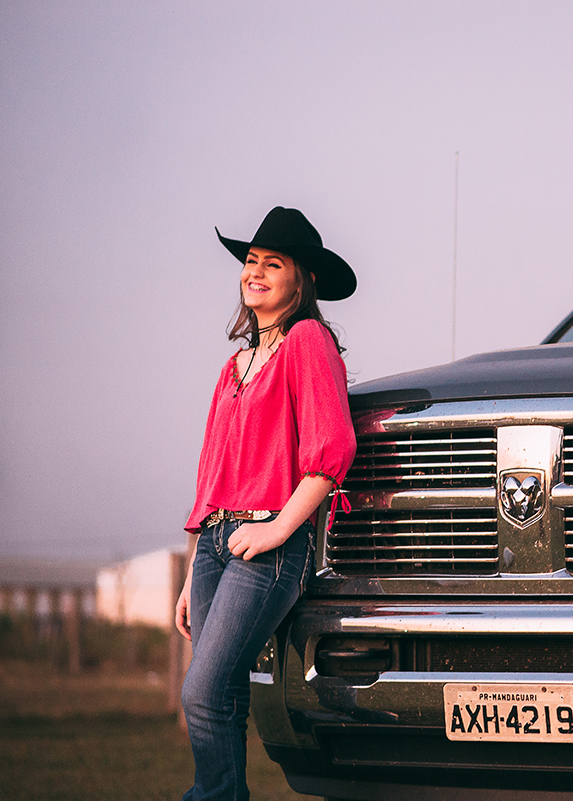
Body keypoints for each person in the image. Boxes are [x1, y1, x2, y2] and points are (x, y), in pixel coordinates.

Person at [175, 206, 357, 800]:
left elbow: (332, 451)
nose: (254, 272)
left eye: (270, 264)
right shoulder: (234, 366)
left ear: (299, 279)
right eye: (250, 262)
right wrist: (188, 572)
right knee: (220, 697)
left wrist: (278, 528)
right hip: (215, 545)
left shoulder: (308, 341)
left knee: (202, 692)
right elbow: (212, 474)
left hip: (268, 545)